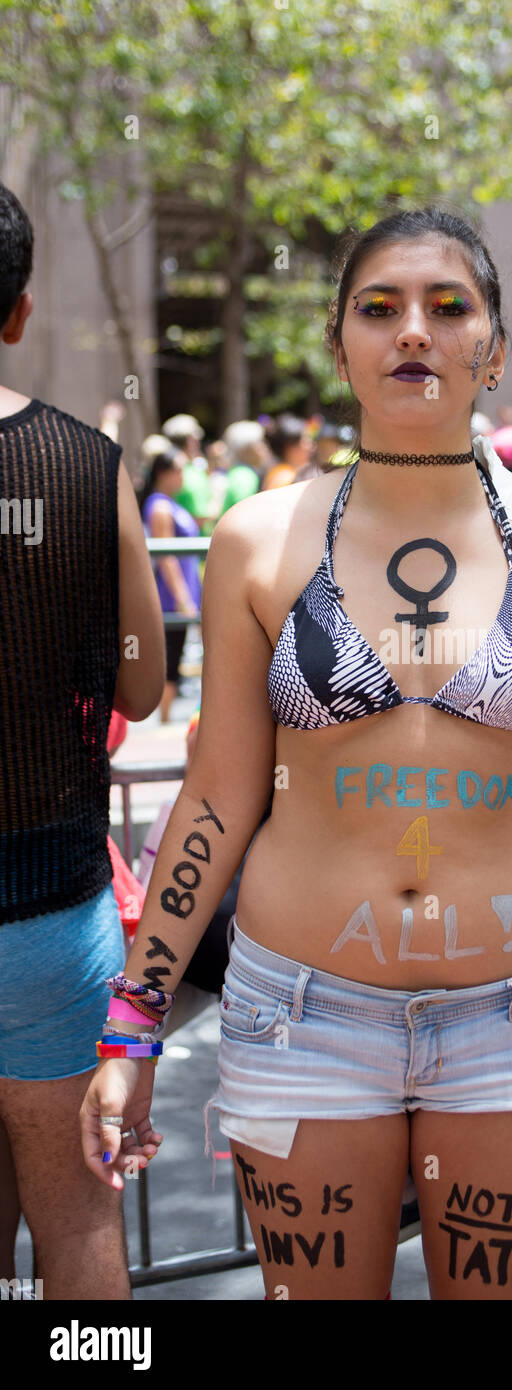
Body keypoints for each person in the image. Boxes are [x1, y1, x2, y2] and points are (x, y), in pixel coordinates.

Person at [81, 205, 512, 1302]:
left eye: (449, 306)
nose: (413, 333)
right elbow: (216, 800)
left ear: (489, 349)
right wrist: (131, 1028)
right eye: (378, 309)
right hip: (301, 1018)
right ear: (339, 344)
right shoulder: (258, 538)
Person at [0, 180, 165, 1298]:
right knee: (80, 1232)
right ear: (16, 311)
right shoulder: (82, 465)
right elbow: (146, 685)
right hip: (52, 910)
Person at [140, 445, 202, 724]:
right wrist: (182, 597)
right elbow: (165, 557)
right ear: (163, 473)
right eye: (178, 469)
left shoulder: (171, 503)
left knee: (175, 659)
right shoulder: (160, 506)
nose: (183, 476)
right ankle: (162, 721)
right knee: (170, 662)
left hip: (181, 595)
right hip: (170, 599)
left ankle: (164, 721)